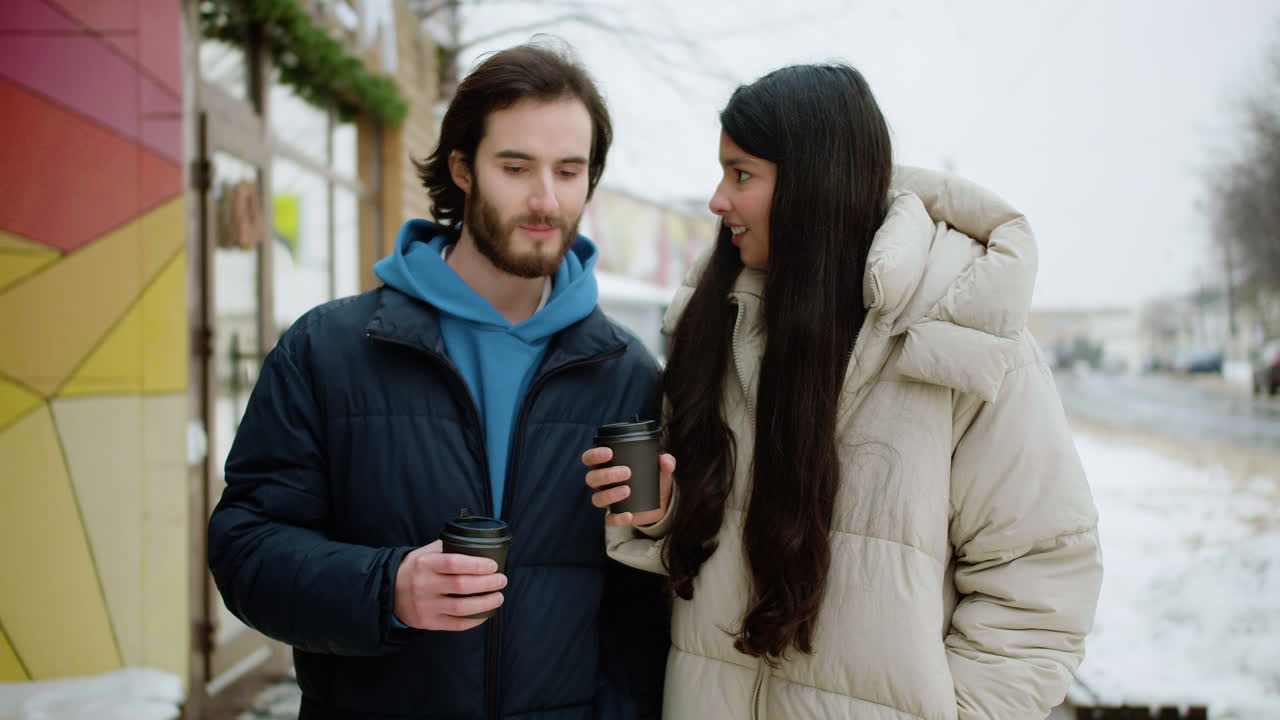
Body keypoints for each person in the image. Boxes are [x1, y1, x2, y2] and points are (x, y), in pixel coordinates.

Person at [586, 64, 1103, 719]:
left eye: (741, 174)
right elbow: (714, 554)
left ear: (813, 183)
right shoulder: (723, 321)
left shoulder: (959, 334)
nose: (718, 200)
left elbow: (1041, 579)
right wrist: (666, 511)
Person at [209, 42, 668, 720]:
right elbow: (245, 549)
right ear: (462, 169)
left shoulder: (628, 373)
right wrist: (384, 588)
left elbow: (646, 612)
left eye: (569, 171)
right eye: (516, 167)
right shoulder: (329, 350)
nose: (546, 199)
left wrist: (666, 528)